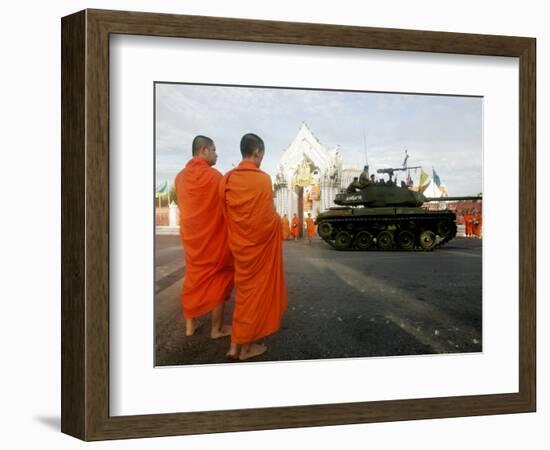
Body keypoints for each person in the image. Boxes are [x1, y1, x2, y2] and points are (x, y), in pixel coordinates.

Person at [219, 133, 288, 360]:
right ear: (257, 152)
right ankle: (246, 348)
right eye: (262, 156)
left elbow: (225, 214)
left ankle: (233, 345)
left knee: (244, 296)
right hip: (258, 250)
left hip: (239, 248)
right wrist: (279, 223)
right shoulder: (263, 179)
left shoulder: (227, 179)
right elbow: (266, 220)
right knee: (254, 298)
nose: (261, 160)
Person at [174, 135, 234, 338]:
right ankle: (216, 329)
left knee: (193, 279)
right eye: (214, 150)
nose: (217, 154)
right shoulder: (215, 177)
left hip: (193, 242)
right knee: (219, 279)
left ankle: (190, 326)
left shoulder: (180, 178)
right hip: (214, 242)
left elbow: (186, 207)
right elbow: (229, 205)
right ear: (204, 150)